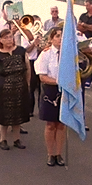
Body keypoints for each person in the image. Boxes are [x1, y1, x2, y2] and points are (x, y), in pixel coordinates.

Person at [0, 28, 30, 150]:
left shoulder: (21, 51)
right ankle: (3, 139)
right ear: (0, 40)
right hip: (3, 90)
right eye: (6, 38)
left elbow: (28, 69)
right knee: (4, 115)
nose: (9, 39)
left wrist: (27, 85)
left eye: (10, 37)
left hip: (19, 88)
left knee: (18, 114)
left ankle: (17, 139)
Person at [35, 27, 66, 166]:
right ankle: (50, 153)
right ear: (52, 39)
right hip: (50, 90)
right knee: (50, 125)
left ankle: (59, 153)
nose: (60, 38)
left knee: (61, 124)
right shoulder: (45, 54)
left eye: (62, 36)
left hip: (64, 91)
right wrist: (59, 81)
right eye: (57, 36)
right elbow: (42, 77)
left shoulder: (68, 54)